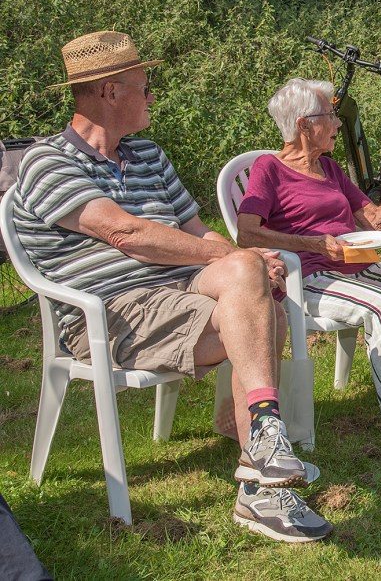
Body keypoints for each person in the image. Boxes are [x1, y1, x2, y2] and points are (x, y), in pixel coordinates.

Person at [12, 31, 331, 543]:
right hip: (113, 312)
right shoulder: (47, 161)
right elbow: (126, 234)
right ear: (110, 92)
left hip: (180, 292)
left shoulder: (148, 155)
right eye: (144, 86)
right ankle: (260, 479)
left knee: (250, 279)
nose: (153, 96)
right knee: (260, 302)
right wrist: (241, 258)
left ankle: (263, 442)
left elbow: (197, 230)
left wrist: (246, 262)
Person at [236, 78, 381, 482]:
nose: (338, 124)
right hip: (308, 275)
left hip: (358, 265)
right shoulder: (268, 169)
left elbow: (374, 220)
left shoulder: (330, 168)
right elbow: (246, 233)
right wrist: (311, 243)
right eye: (330, 116)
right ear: (304, 124)